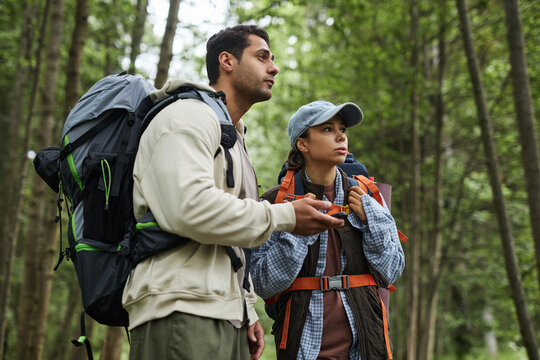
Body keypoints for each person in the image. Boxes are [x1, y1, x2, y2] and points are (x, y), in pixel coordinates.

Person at [122, 25, 344, 360]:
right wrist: (285, 216)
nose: (274, 67)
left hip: (225, 315)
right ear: (227, 61)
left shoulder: (233, 136)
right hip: (180, 308)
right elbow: (189, 208)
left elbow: (230, 236)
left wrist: (247, 308)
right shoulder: (187, 115)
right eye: (262, 57)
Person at [249, 101, 405, 360]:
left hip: (366, 339)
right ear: (303, 144)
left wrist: (371, 221)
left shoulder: (368, 197)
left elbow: (392, 271)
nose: (341, 136)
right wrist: (298, 228)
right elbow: (264, 284)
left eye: (342, 129)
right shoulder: (274, 203)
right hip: (303, 339)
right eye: (327, 129)